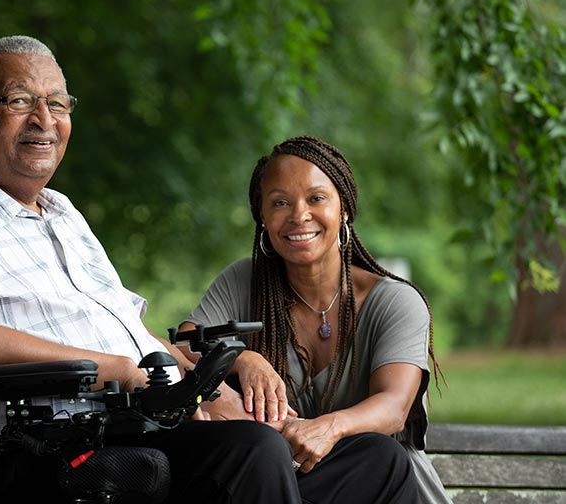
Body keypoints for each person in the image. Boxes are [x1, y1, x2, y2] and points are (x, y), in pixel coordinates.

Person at [0, 35, 417, 503]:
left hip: (135, 424)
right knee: (251, 453)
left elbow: (134, 335)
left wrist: (208, 385)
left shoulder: (63, 214)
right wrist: (115, 368)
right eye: (22, 101)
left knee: (375, 460)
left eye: (59, 104)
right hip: (36, 448)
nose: (45, 121)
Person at [180, 135, 450, 503]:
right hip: (291, 486)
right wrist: (244, 359)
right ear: (262, 215)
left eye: (316, 198)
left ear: (344, 209)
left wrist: (328, 428)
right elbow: (184, 344)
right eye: (280, 202)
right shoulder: (245, 282)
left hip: (378, 485)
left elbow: (393, 408)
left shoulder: (394, 301)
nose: (298, 215)